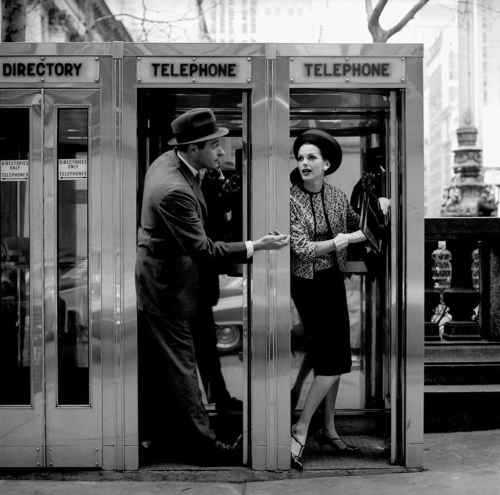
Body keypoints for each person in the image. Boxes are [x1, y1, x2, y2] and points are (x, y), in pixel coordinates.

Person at [135, 108, 289, 463]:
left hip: (173, 278)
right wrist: (257, 245)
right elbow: (202, 248)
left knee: (170, 366)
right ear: (191, 149)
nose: (222, 152)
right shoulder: (172, 189)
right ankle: (203, 446)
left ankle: (156, 438)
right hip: (166, 288)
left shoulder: (173, 162)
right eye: (215, 145)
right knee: (183, 364)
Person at [289, 129, 388, 471]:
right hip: (305, 283)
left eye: (311, 157)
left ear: (326, 163)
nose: (304, 163)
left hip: (332, 281)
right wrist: (341, 240)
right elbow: (301, 248)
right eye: (301, 158)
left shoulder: (334, 194)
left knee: (334, 355)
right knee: (333, 358)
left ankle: (328, 429)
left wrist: (379, 208)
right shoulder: (291, 199)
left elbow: (355, 224)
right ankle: (301, 427)